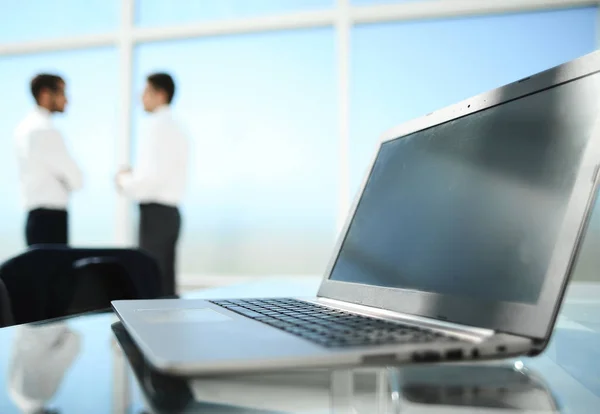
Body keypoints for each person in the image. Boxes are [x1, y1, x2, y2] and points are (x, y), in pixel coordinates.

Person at [116, 72, 189, 297]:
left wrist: (123, 179)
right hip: (170, 214)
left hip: (155, 216)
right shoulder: (178, 127)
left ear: (160, 94)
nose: (141, 97)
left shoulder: (157, 126)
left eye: (146, 91)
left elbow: (149, 180)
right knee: (165, 287)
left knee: (151, 288)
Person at [14, 74, 83, 246]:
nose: (66, 100)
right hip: (50, 219)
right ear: (45, 94)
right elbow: (76, 180)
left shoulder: (24, 128)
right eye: (62, 93)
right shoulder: (44, 130)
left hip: (36, 217)